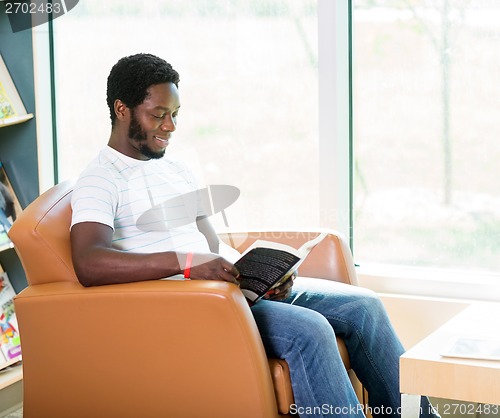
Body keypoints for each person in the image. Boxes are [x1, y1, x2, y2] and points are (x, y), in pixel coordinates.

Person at [70, 53, 440, 418]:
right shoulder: (100, 179)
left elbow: (210, 245)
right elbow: (89, 262)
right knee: (310, 331)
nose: (170, 127)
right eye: (158, 115)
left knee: (365, 307)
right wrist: (187, 265)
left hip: (226, 292)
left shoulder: (175, 169)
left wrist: (261, 277)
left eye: (175, 114)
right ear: (122, 110)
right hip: (187, 309)